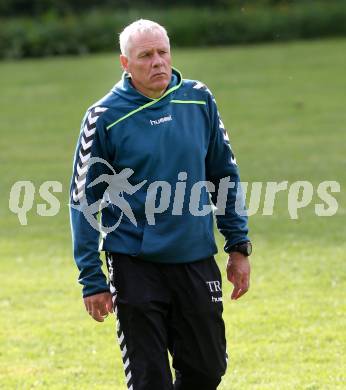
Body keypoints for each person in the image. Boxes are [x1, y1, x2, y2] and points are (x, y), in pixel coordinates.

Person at [70, 19, 251, 390]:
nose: (158, 63)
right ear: (125, 63)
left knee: (207, 369)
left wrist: (238, 245)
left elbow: (224, 174)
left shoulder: (198, 99)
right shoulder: (104, 118)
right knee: (150, 379)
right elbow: (83, 201)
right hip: (134, 264)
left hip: (195, 257)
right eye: (145, 56)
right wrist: (92, 279)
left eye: (162, 53)